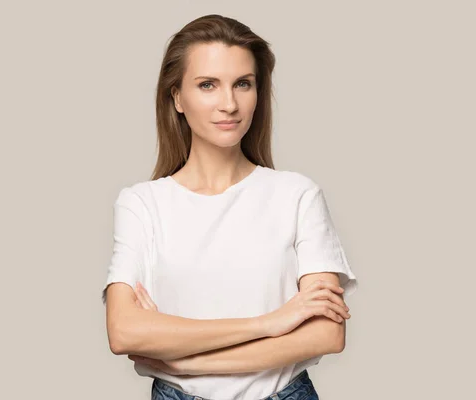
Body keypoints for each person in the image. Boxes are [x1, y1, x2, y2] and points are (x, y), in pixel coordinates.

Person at [102, 14, 358, 400]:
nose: (229, 104)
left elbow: (327, 333)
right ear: (177, 98)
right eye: (208, 85)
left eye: (243, 84)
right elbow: (125, 332)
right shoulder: (142, 203)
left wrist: (189, 361)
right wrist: (269, 323)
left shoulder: (297, 195)